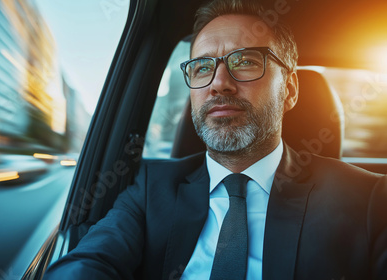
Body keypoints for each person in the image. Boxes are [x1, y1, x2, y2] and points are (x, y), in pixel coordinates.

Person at [46, 0, 387, 279]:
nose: (219, 83)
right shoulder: (152, 188)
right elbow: (89, 262)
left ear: (290, 90)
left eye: (247, 61)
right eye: (202, 67)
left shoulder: (370, 201)